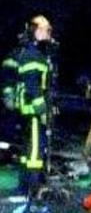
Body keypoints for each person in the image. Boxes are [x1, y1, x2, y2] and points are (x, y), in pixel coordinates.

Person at [2, 15, 56, 208]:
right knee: (35, 152)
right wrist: (42, 110)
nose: (49, 34)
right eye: (47, 30)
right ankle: (31, 192)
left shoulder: (31, 53)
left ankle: (23, 188)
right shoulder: (34, 55)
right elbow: (33, 85)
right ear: (37, 31)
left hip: (27, 111)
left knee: (27, 151)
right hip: (34, 112)